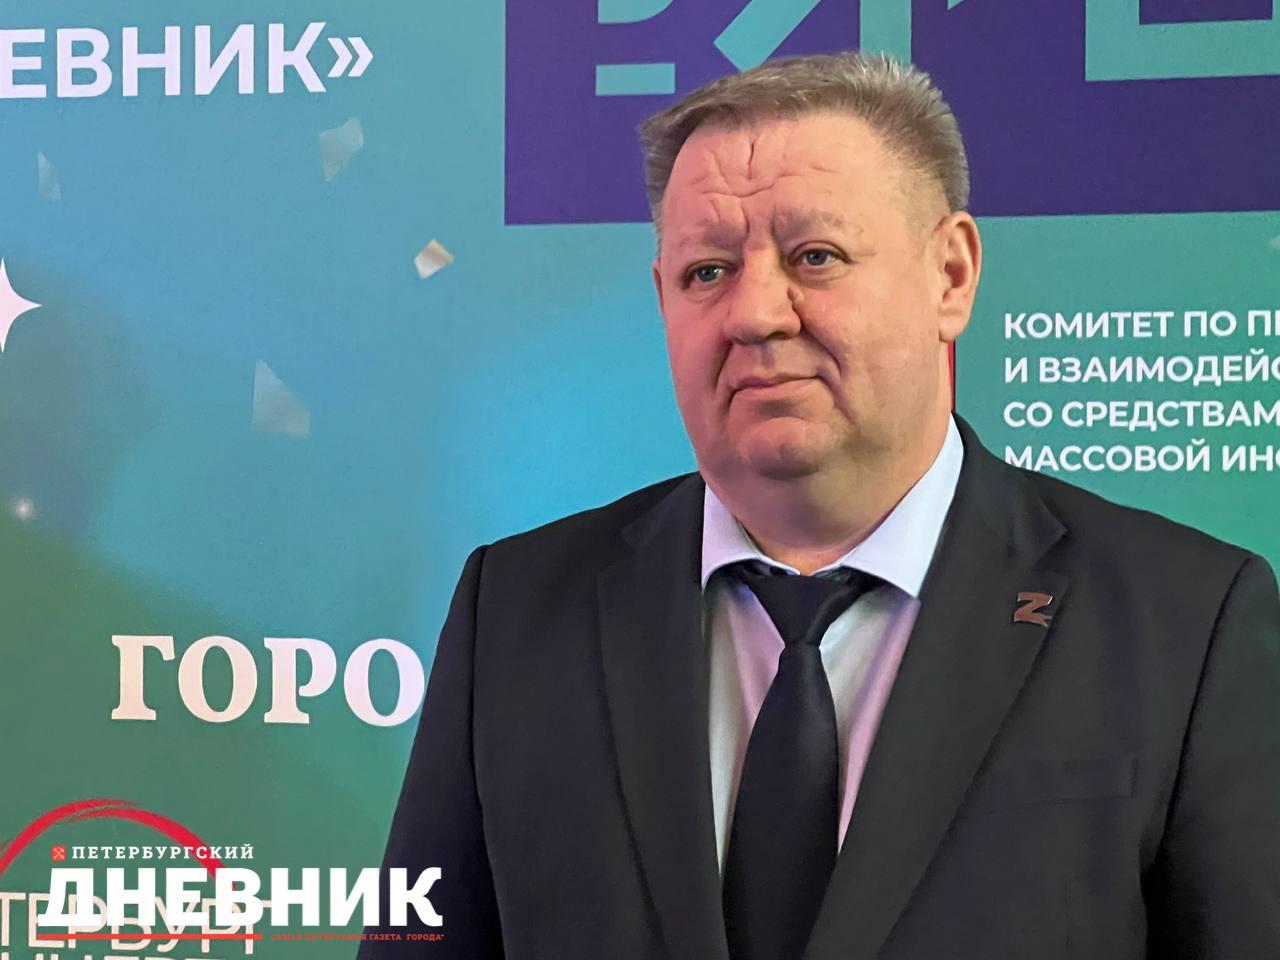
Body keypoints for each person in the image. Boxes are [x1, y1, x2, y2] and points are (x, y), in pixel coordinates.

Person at [358, 52, 1280, 959]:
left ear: (951, 275)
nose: (755, 313)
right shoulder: (515, 609)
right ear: (662, 299)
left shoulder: (1188, 621)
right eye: (707, 272)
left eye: (816, 256)